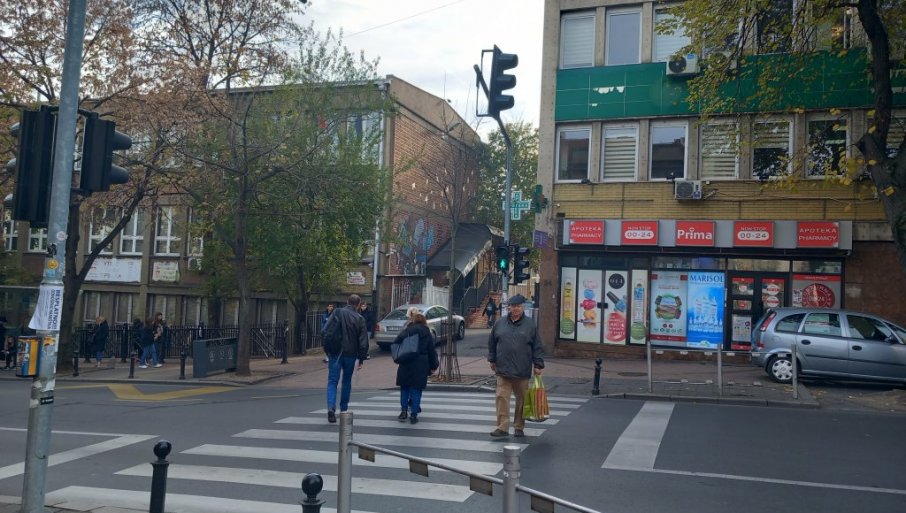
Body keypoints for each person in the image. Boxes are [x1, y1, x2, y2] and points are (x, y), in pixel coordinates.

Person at [487, 294, 544, 438]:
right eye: (513, 306)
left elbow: (537, 346)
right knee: (501, 397)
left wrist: (538, 363)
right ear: (509, 307)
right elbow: (492, 343)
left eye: (518, 306)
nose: (516, 309)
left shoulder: (530, 324)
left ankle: (519, 426)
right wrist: (492, 359)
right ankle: (502, 427)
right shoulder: (499, 323)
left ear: (523, 307)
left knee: (522, 400)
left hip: (522, 368)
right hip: (503, 368)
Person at [320, 294, 368, 423]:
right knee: (346, 381)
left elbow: (325, 331)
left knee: (332, 381)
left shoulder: (337, 312)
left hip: (335, 352)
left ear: (347, 302)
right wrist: (362, 358)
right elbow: (363, 341)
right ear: (358, 305)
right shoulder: (360, 318)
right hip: (350, 354)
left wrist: (327, 350)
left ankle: (331, 407)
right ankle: (343, 409)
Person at [393, 309, 439, 424]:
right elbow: (431, 351)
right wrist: (434, 365)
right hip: (421, 363)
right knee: (416, 389)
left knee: (404, 387)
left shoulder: (408, 330)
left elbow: (397, 341)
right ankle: (414, 415)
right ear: (424, 321)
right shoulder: (427, 332)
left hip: (406, 362)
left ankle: (403, 411)